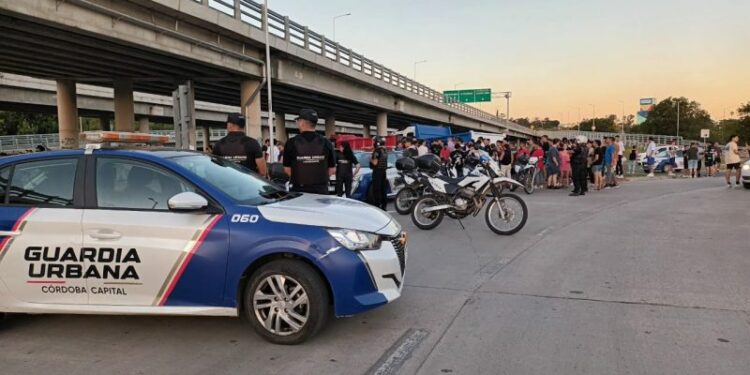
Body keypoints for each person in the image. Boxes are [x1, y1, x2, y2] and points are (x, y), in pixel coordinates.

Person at [283, 109, 336, 194]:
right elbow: (332, 169)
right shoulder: (326, 142)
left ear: (302, 122)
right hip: (321, 190)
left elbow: (286, 169)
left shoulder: (291, 142)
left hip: (298, 190)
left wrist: (300, 178)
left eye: (298, 121)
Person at [212, 112, 267, 176]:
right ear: (243, 126)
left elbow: (214, 169)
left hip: (225, 184)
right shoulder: (253, 143)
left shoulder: (219, 144)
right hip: (248, 184)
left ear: (229, 125)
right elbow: (263, 172)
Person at [370, 137, 389, 210]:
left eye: (374, 142)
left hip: (377, 171)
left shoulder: (377, 150)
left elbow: (375, 162)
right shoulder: (385, 150)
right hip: (383, 171)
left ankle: (377, 205)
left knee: (376, 189)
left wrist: (370, 159)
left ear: (377, 142)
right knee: (383, 189)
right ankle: (384, 206)